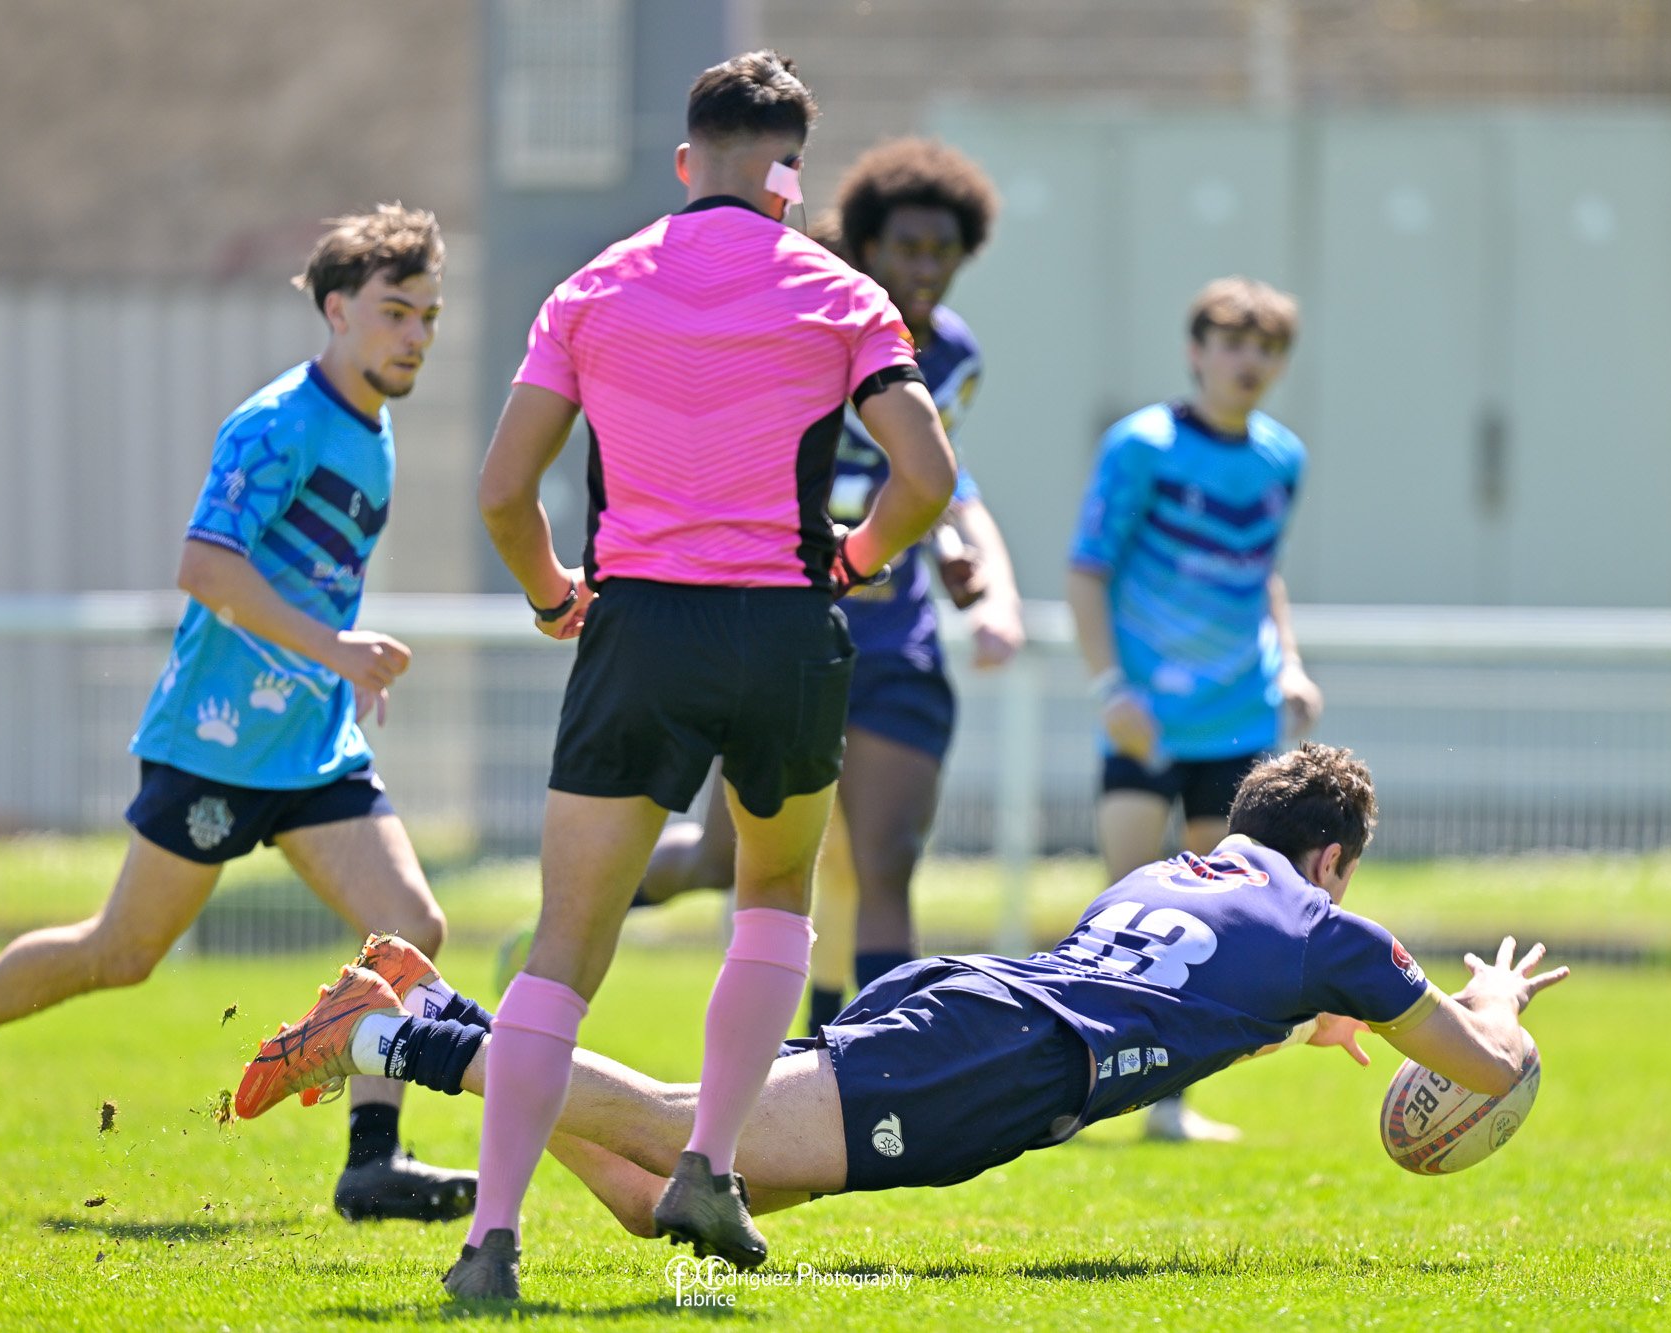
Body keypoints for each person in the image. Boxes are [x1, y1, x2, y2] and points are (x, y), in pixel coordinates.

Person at [235, 744, 1570, 1246]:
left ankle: (445, 1011)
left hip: (979, 1013)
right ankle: (387, 1036)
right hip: (990, 1066)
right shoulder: (1332, 927)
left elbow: (1208, 983)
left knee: (661, 1205)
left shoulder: (1185, 868)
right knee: (676, 1129)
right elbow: (1483, 1066)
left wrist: (1312, 1014)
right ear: (1337, 859)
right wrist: (1500, 1006)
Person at [452, 52, 955, 1300]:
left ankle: (491, 1239)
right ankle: (709, 1166)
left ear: (686, 163)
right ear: (790, 180)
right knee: (775, 900)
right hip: (785, 632)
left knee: (565, 945)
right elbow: (927, 477)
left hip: (639, 633)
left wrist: (552, 593)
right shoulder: (840, 294)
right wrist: (853, 556)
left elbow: (502, 492)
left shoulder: (590, 288)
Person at [0, 204, 476, 1223]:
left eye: (428, 316)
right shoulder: (277, 422)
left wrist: (337, 667)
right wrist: (334, 647)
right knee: (122, 954)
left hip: (314, 744)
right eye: (394, 313)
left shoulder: (376, 430)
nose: (415, 335)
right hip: (217, 743)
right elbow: (202, 564)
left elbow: (310, 581)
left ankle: (372, 1158)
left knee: (409, 925)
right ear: (335, 309)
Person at [627, 137, 1026, 1032]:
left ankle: (876, 1060)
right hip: (789, 626)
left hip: (897, 642)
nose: (925, 269)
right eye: (907, 248)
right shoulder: (809, 321)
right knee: (734, 862)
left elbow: (947, 484)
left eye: (943, 252)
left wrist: (978, 574)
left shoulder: (955, 356)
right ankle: (587, 906)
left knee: (883, 855)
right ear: (869, 245)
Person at [1066, 274, 1325, 1144]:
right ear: (1197, 351)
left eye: (1268, 347)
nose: (1249, 361)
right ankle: (1069, 1085)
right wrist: (1111, 688)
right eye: (1234, 342)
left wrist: (1288, 663)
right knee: (1125, 909)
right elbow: (1088, 567)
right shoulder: (1140, 445)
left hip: (1239, 719)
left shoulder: (1280, 458)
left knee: (1214, 922)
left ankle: (1168, 1103)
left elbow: (1264, 575)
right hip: (1148, 719)